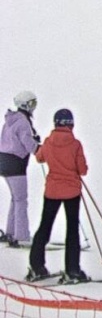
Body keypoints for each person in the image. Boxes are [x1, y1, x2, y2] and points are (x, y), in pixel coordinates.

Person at [28, 108, 89, 283]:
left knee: (44, 227)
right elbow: (82, 170)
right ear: (71, 124)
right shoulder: (75, 144)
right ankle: (72, 270)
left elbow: (39, 158)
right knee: (72, 230)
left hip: (52, 191)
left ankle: (37, 266)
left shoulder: (48, 142)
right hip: (71, 192)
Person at [0, 91, 42, 248]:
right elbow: (27, 143)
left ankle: (11, 232)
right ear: (25, 105)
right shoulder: (23, 122)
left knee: (16, 198)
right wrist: (38, 149)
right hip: (16, 164)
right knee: (21, 200)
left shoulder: (10, 120)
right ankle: (21, 235)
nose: (34, 107)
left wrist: (33, 140)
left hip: (4, 162)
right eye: (32, 103)